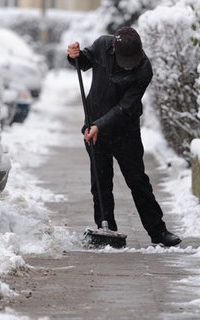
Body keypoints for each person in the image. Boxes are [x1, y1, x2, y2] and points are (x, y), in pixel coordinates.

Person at [67, 26, 181, 246]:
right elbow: (84, 62)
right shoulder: (102, 45)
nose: (129, 64)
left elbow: (126, 107)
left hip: (125, 132)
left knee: (138, 182)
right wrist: (75, 56)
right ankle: (105, 227)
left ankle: (158, 232)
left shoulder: (144, 69)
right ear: (113, 49)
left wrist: (100, 125)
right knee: (100, 181)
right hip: (94, 128)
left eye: (133, 59)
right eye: (124, 59)